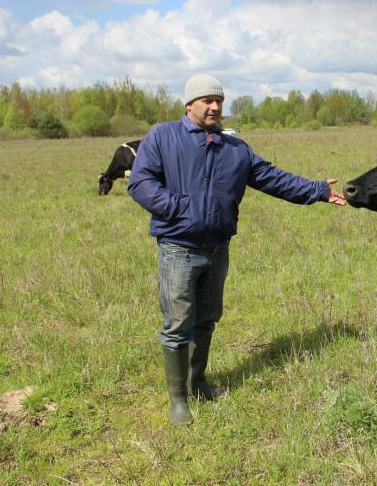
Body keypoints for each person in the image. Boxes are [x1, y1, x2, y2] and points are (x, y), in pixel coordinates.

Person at [128, 73, 346, 424]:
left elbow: (273, 178)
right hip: (178, 249)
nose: (215, 106)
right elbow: (140, 183)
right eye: (207, 100)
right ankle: (178, 399)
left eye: (219, 101)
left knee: (207, 319)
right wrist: (178, 208)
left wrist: (316, 190)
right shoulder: (163, 137)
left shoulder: (235, 149)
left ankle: (198, 383)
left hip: (217, 250)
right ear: (189, 104)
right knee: (177, 323)